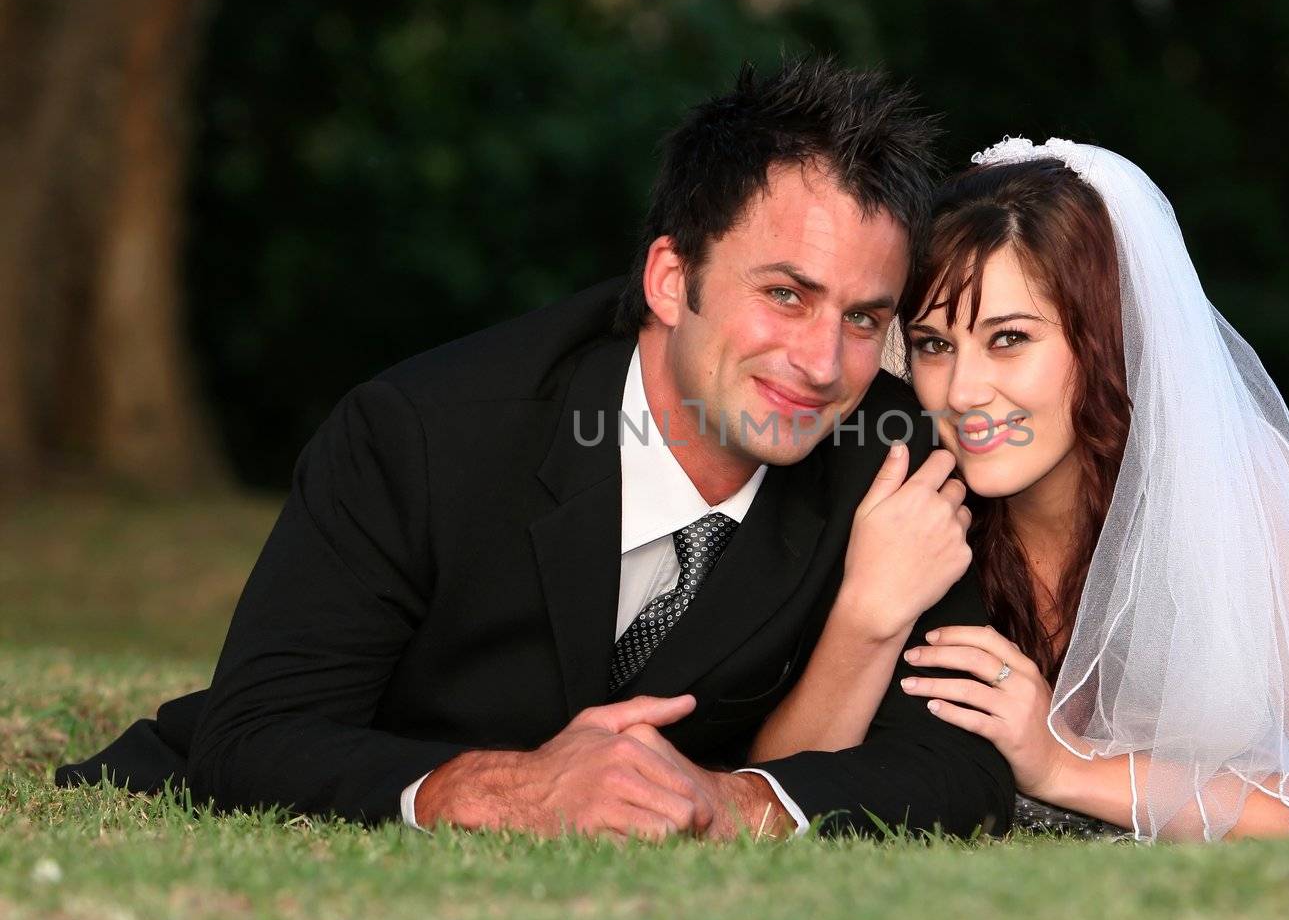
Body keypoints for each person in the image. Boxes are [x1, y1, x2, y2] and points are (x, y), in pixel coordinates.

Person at [56, 58, 1011, 839]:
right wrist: (508, 791)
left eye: (862, 317)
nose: (818, 362)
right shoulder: (419, 433)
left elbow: (958, 764)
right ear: (673, 279)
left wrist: (735, 802)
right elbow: (256, 732)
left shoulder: (896, 457)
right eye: (786, 294)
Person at [754, 137, 1289, 840]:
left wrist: (1064, 767)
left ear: (1101, 338)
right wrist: (866, 613)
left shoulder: (1228, 484)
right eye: (933, 345)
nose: (962, 388)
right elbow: (778, 789)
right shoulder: (905, 487)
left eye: (1009, 339)